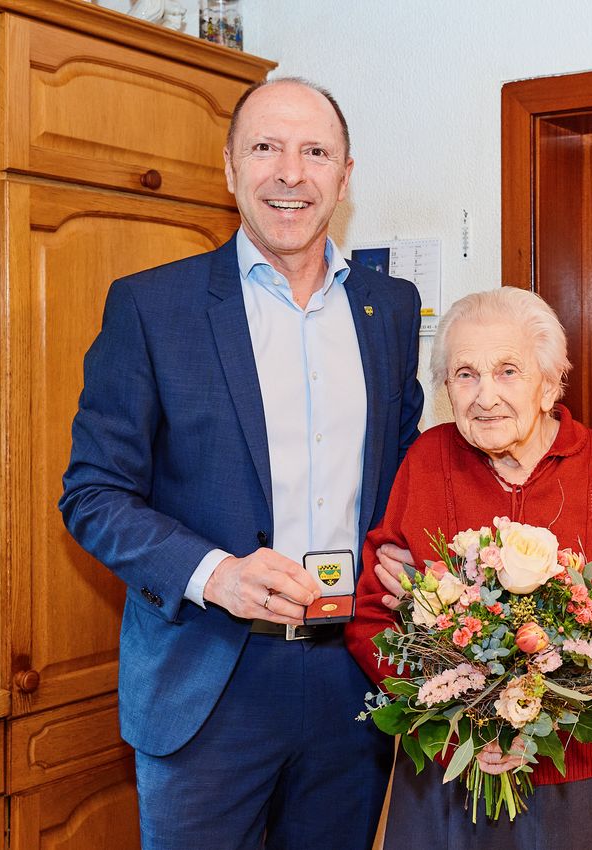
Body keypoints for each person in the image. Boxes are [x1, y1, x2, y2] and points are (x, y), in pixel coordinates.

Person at [59, 77, 424, 850]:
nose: (291, 173)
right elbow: (92, 494)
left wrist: (400, 554)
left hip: (350, 677)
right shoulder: (152, 307)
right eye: (266, 148)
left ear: (344, 175)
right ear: (229, 167)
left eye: (315, 152)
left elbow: (399, 476)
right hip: (205, 681)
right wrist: (215, 574)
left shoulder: (389, 309)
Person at [346, 288, 592, 850]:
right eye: (464, 374)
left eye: (508, 371)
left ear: (549, 385)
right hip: (454, 775)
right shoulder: (427, 462)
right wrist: (454, 715)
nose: (486, 397)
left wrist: (551, 712)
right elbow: (367, 619)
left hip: (590, 780)